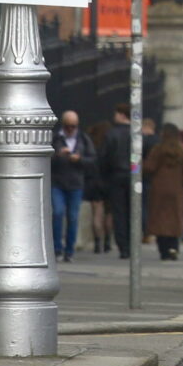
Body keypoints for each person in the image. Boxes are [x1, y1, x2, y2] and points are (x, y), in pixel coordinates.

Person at [51, 110, 96, 263]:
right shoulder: (56, 139)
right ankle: (57, 248)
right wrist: (58, 155)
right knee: (57, 213)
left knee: (73, 217)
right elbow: (45, 159)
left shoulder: (83, 139)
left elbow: (92, 160)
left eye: (74, 126)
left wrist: (80, 159)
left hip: (76, 183)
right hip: (58, 182)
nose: (71, 129)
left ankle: (69, 250)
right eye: (68, 126)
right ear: (63, 125)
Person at [142, 123, 183, 260]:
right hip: (177, 190)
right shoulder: (182, 151)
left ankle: (163, 250)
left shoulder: (158, 150)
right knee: (175, 220)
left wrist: (136, 165)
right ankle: (173, 247)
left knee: (160, 220)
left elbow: (148, 168)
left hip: (159, 189)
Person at [99, 103, 133, 258]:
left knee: (119, 212)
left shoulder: (111, 134)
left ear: (121, 115)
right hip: (133, 175)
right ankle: (132, 244)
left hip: (116, 175)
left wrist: (104, 176)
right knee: (133, 211)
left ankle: (123, 247)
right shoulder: (136, 134)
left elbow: (104, 157)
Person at [86, 120, 112, 253]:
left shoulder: (91, 144)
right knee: (108, 213)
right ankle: (108, 241)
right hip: (108, 181)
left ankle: (97, 243)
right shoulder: (109, 145)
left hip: (94, 181)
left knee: (96, 212)